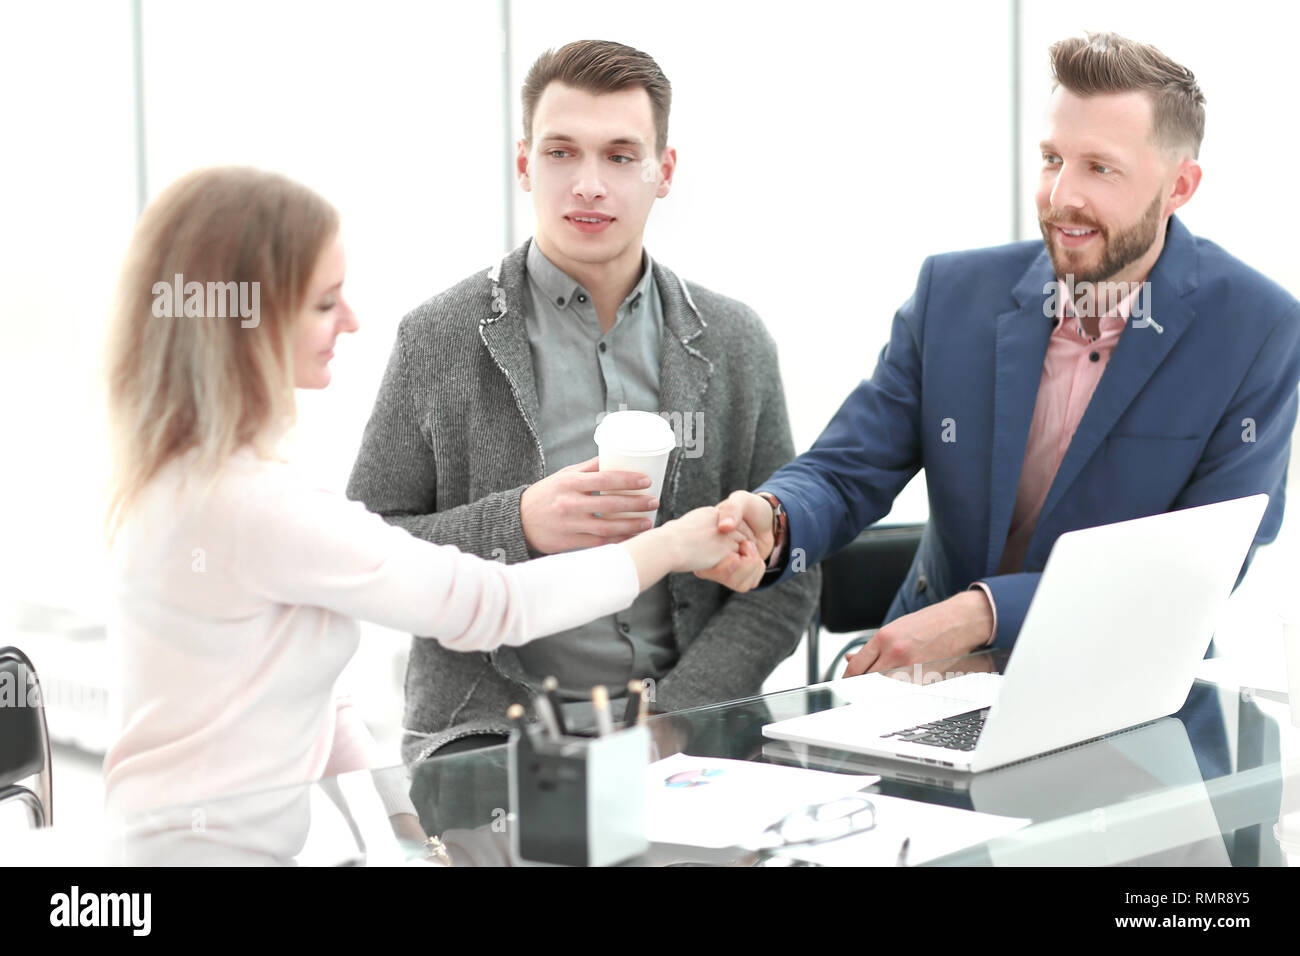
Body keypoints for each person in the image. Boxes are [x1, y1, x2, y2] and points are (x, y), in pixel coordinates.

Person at [99, 166, 750, 859]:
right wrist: (673, 545)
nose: (350, 321)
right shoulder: (250, 506)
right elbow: (492, 605)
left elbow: (321, 700)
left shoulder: (187, 475)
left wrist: (410, 838)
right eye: (324, 304)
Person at [703, 32, 1300, 677]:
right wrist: (775, 517)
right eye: (1052, 159)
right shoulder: (953, 294)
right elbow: (849, 468)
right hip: (920, 683)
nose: (1060, 195)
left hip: (1121, 695)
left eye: (1100, 167)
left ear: (1180, 186)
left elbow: (1195, 571)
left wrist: (982, 615)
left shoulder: (1257, 329)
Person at [347, 40, 819, 761]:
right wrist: (519, 523)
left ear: (663, 172)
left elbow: (789, 569)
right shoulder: (437, 338)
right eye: (562, 152)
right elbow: (366, 549)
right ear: (524, 164)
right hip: (488, 740)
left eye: (620, 156)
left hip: (691, 738)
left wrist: (677, 719)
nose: (589, 185)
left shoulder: (734, 341)